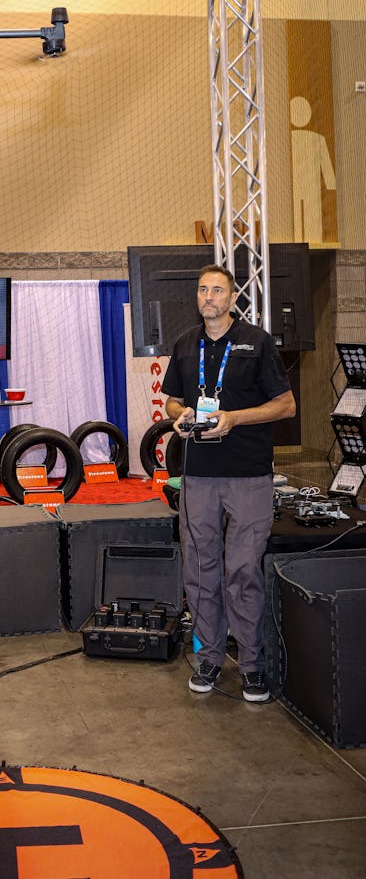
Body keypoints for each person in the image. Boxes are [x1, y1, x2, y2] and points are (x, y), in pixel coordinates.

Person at [161, 263, 296, 703]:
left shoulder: (256, 343)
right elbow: (171, 399)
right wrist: (178, 415)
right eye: (203, 289)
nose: (209, 297)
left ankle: (253, 664)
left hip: (248, 476)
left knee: (242, 570)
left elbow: (286, 406)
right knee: (200, 570)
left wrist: (235, 418)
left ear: (232, 298)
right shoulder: (185, 344)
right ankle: (210, 657)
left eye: (217, 290)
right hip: (197, 476)